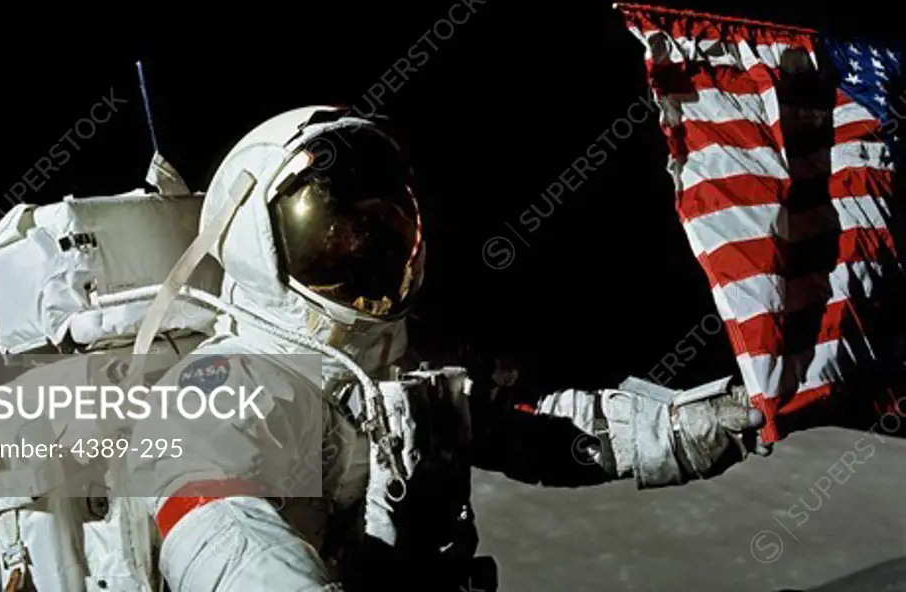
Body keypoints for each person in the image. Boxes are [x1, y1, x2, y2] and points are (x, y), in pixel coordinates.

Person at [126, 105, 767, 592]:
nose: (366, 251)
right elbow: (223, 537)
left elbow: (537, 424)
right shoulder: (218, 392)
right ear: (260, 250)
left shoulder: (402, 355)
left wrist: (685, 428)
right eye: (335, 237)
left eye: (379, 227)